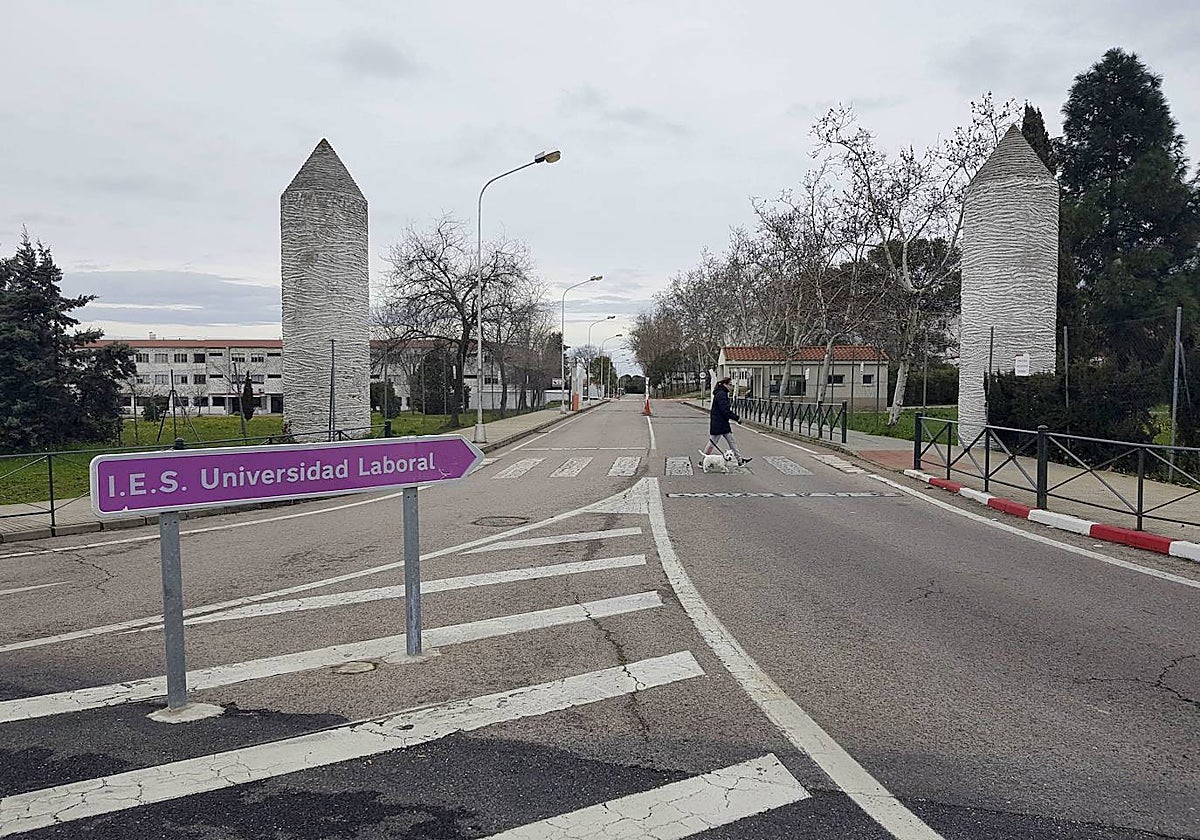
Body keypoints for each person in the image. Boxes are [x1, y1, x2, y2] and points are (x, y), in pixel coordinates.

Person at [707, 376, 751, 466]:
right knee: (712, 443)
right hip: (719, 424)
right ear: (725, 385)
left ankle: (739, 460)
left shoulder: (722, 393)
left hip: (722, 423)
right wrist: (736, 418)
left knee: (732, 442)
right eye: (730, 385)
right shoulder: (721, 394)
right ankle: (703, 460)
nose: (732, 387)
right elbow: (725, 410)